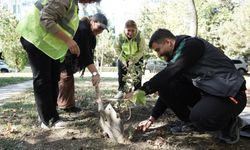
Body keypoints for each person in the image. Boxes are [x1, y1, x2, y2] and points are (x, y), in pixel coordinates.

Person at [127, 29, 247, 144]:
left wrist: (141, 91)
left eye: (158, 50)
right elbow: (166, 86)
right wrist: (152, 118)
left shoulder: (192, 45)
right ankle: (194, 123)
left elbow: (170, 72)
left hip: (232, 95)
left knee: (200, 116)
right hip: (210, 94)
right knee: (166, 86)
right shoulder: (179, 57)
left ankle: (230, 123)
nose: (158, 55)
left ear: (168, 42)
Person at [17, 0, 101, 129]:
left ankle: (49, 113)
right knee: (43, 79)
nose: (90, 2)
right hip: (36, 37)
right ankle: (49, 120)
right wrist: (68, 41)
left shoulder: (74, 3)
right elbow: (46, 19)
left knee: (54, 77)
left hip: (47, 44)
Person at [57, 13, 108, 113]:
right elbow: (85, 55)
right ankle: (62, 105)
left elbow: (89, 53)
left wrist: (94, 72)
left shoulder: (91, 34)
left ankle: (68, 106)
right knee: (64, 77)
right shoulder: (82, 29)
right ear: (92, 22)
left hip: (71, 60)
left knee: (68, 78)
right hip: (63, 56)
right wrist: (95, 73)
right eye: (99, 27)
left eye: (102, 29)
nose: (100, 30)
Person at [113, 20, 146, 99]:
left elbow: (141, 50)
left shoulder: (140, 36)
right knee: (121, 74)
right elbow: (117, 49)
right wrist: (124, 61)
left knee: (137, 76)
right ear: (125, 29)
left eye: (133, 30)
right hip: (123, 57)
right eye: (128, 30)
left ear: (136, 29)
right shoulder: (120, 36)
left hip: (137, 57)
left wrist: (134, 60)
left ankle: (137, 92)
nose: (130, 33)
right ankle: (121, 91)